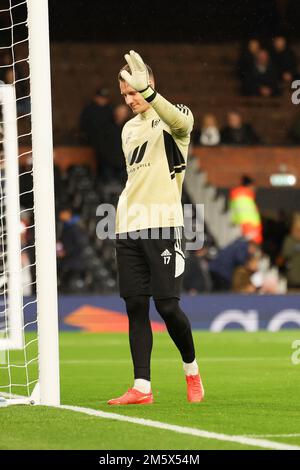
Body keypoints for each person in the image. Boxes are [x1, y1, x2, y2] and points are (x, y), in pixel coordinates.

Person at [108, 50, 204, 406]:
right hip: (128, 225)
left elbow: (180, 124)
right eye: (125, 94)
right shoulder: (127, 130)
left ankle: (192, 371)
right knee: (135, 305)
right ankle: (142, 388)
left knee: (167, 306)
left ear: (149, 86)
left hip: (163, 223)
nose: (130, 99)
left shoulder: (176, 117)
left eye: (133, 92)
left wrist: (147, 93)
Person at [229, 175, 263, 245]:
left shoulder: (239, 197)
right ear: (249, 186)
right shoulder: (244, 198)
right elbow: (246, 219)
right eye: (254, 186)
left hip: (246, 234)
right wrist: (254, 238)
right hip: (249, 235)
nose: (255, 189)